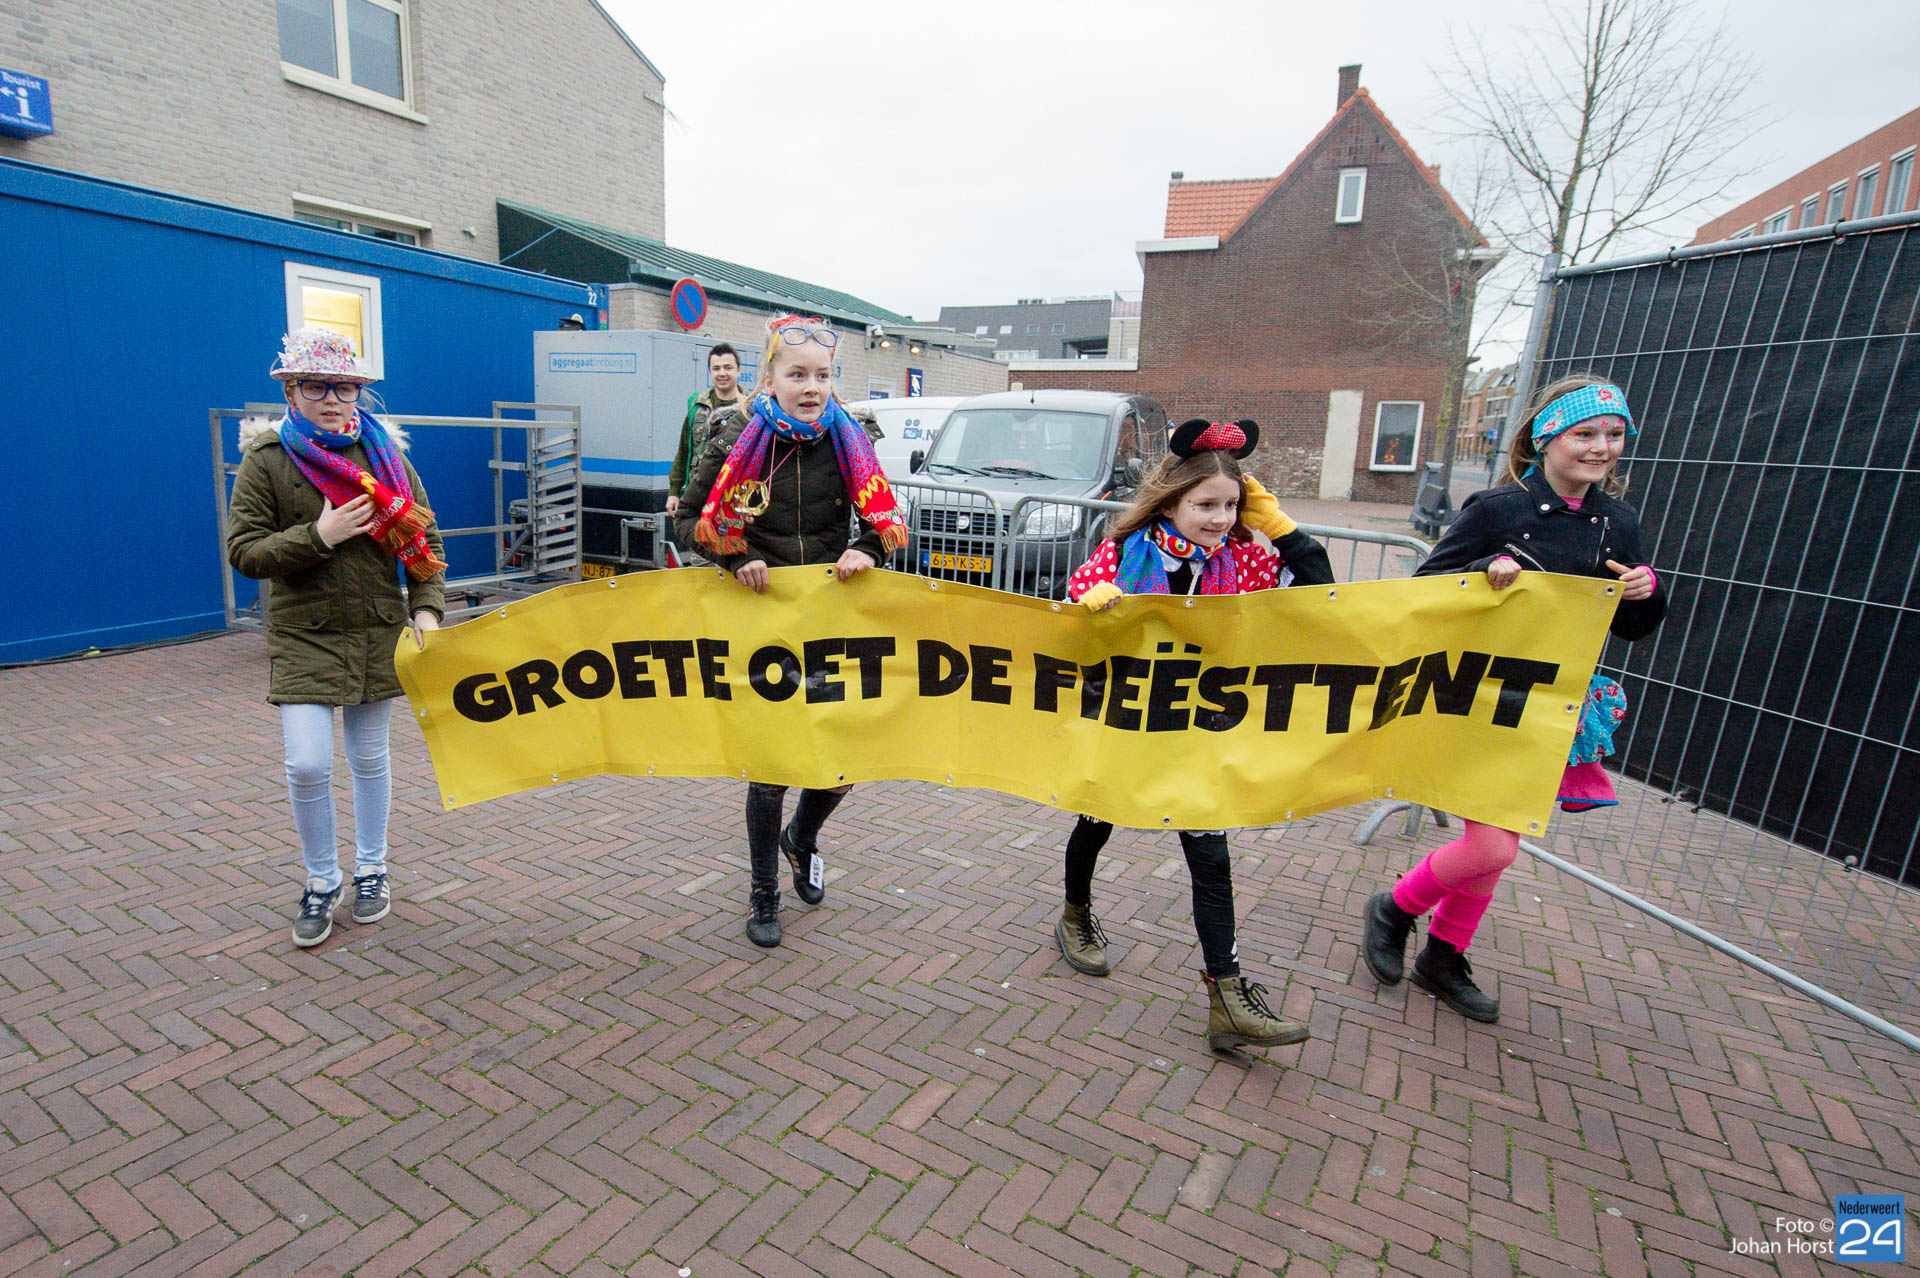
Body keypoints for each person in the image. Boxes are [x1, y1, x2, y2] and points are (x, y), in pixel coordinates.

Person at [1361, 374, 1667, 1022]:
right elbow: (1427, 586)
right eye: (1586, 433)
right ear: (1546, 438)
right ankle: (1395, 908)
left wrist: (1646, 592)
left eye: (1615, 435)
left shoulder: (1618, 523)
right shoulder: (1498, 509)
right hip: (1476, 697)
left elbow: (1630, 627)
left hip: (1551, 706)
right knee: (1494, 844)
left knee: (1505, 838)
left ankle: (1444, 955)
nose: (1602, 447)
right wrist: (1482, 574)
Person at [1058, 419, 1334, 1052]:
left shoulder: (1246, 559)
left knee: (1211, 860)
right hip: (1129, 723)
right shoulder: (1124, 552)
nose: (1220, 518)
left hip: (1198, 730)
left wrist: (1277, 524)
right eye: (1206, 505)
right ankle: (1075, 916)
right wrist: (1091, 607)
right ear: (1170, 503)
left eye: (1232, 505)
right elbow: (1070, 619)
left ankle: (1227, 997)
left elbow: (1320, 589)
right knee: (1096, 822)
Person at [673, 315, 908, 948]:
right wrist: (735, 557)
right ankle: (763, 890)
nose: (811, 387)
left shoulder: (850, 437)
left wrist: (867, 549)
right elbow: (688, 519)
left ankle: (801, 838)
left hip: (831, 622)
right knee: (771, 767)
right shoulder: (734, 437)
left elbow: (885, 519)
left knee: (841, 762)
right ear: (769, 377)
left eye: (822, 375)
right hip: (762, 623)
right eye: (797, 374)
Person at [226, 328, 448, 948]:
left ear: (360, 392)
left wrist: (427, 610)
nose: (332, 399)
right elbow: (244, 551)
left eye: (344, 387)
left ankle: (371, 869)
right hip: (304, 631)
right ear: (291, 391)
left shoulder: (386, 456)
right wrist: (318, 536)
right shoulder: (269, 458)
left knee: (370, 758)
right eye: (317, 386)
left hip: (376, 627)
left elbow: (424, 542)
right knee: (306, 763)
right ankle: (322, 880)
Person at [666, 343, 745, 517]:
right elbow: (684, 450)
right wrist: (674, 492)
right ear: (710, 372)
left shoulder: (750, 410)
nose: (722, 373)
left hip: (735, 498)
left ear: (738, 370)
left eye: (728, 368)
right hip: (698, 495)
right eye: (716, 368)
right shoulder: (697, 407)